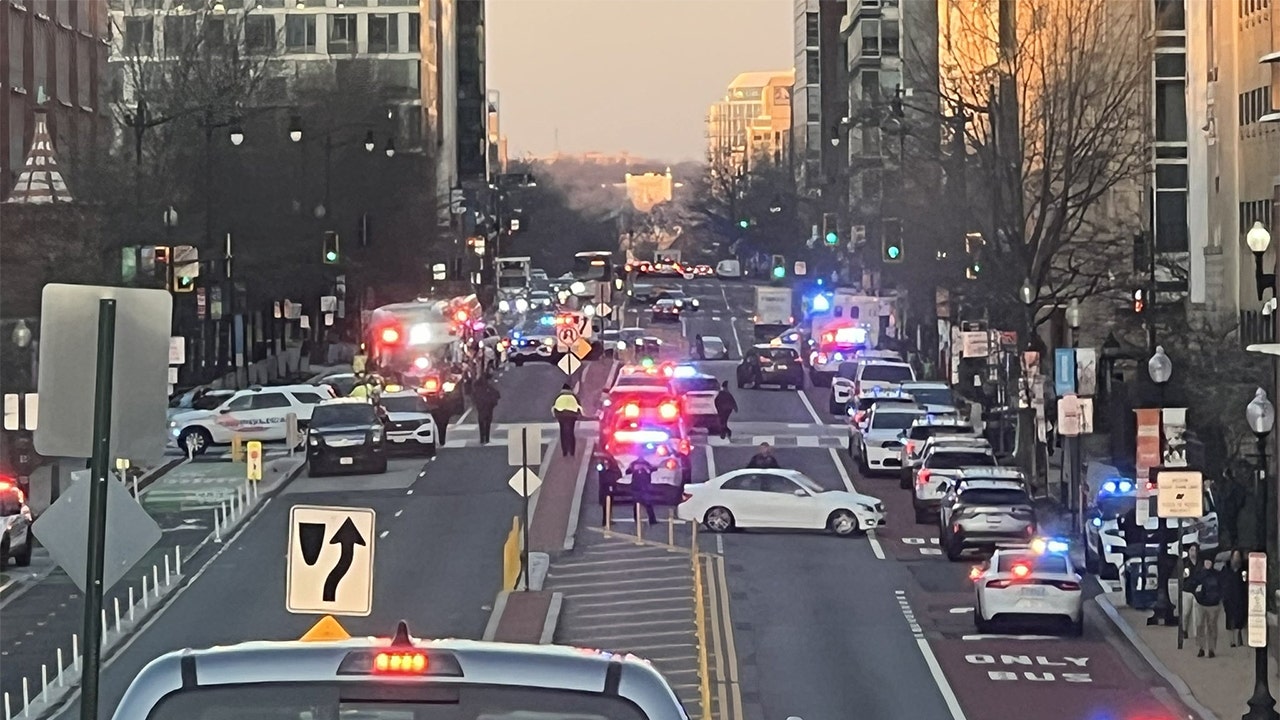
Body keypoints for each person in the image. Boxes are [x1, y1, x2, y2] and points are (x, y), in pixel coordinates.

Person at [1188, 555, 1223, 658]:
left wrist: (1219, 598)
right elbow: (1191, 585)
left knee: (1211, 626)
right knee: (1200, 625)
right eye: (1206, 561)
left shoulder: (1217, 575)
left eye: (1209, 562)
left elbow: (1222, 587)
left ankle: (1211, 649)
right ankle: (1201, 648)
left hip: (1213, 604)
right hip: (1201, 603)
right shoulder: (1199, 575)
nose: (1208, 564)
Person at [1223, 549, 1248, 647]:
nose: (1236, 558)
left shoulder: (1243, 570)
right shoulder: (1226, 569)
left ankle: (1238, 638)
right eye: (1235, 556)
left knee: (1239, 618)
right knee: (1229, 619)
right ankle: (1231, 640)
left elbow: (1245, 582)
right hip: (1229, 597)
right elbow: (1222, 581)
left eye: (1238, 556)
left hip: (1240, 597)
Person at [552, 383, 584, 456]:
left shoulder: (558, 396)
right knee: (571, 432)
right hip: (572, 416)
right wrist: (579, 415)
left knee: (563, 432)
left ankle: (565, 451)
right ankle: (572, 451)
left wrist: (556, 416)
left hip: (561, 416)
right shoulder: (574, 396)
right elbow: (580, 407)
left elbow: (553, 408)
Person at [627, 456, 658, 524]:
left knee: (648, 503)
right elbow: (627, 471)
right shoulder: (633, 463)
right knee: (636, 504)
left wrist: (646, 468)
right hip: (636, 487)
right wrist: (633, 469)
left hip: (645, 487)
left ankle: (652, 519)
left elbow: (654, 468)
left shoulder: (646, 463)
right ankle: (636, 519)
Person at [471, 373, 501, 445]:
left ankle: (482, 438)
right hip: (488, 406)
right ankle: (486, 438)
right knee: (488, 422)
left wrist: (476, 403)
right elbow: (497, 394)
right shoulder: (490, 388)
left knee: (481, 421)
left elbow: (474, 396)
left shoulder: (478, 388)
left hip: (481, 406)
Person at [1178, 543, 1200, 641]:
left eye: (1195, 550)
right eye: (1191, 550)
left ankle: (1197, 634)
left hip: (1197, 591)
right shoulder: (1185, 562)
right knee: (1186, 612)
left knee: (1196, 614)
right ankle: (1184, 629)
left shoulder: (1200, 563)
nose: (1193, 552)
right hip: (1187, 590)